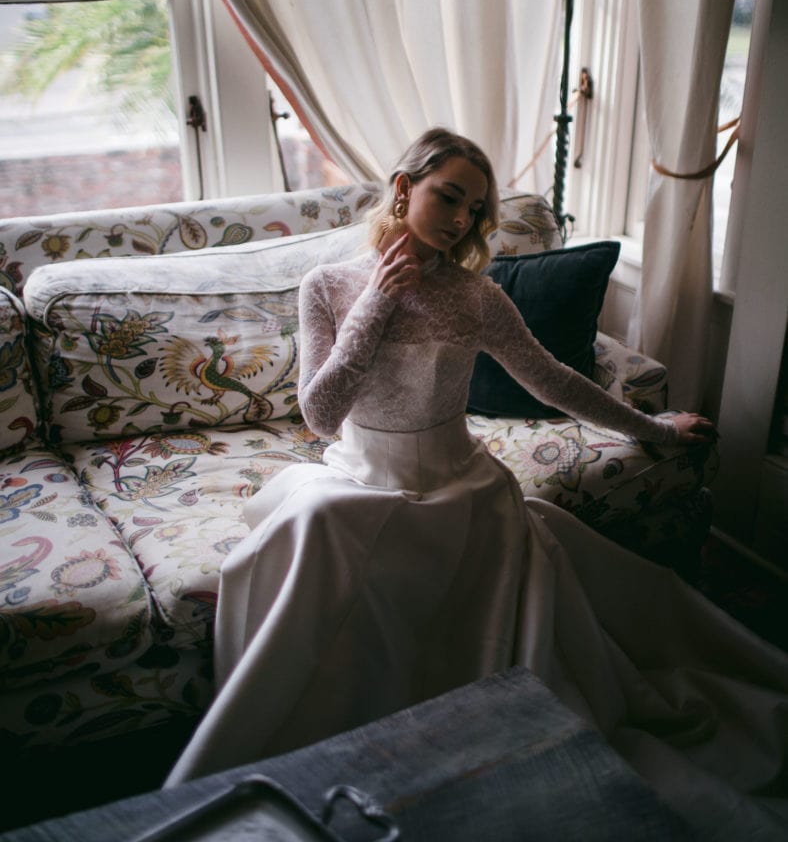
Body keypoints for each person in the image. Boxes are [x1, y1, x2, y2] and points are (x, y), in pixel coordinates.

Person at [167, 128, 788, 836]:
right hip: (363, 475)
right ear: (404, 189)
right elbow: (318, 415)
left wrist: (653, 429)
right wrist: (375, 302)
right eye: (449, 197)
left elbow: (555, 380)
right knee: (317, 525)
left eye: (474, 207)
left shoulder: (476, 297)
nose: (461, 220)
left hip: (462, 483)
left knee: (470, 533)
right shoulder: (328, 286)